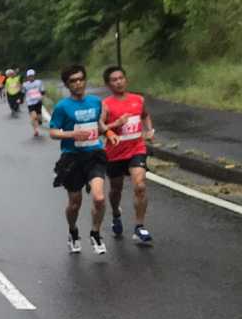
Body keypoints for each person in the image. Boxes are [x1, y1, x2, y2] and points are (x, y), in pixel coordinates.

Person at [49, 64, 108, 255]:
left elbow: (98, 124)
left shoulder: (95, 102)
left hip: (94, 154)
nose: (78, 83)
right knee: (75, 203)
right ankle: (73, 232)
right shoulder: (62, 107)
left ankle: (95, 233)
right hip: (72, 158)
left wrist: (109, 132)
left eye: (81, 79)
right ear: (67, 85)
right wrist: (72, 134)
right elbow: (53, 132)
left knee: (99, 197)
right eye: (73, 81)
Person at [101, 65, 155, 245]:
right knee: (116, 189)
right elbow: (100, 128)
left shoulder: (138, 100)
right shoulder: (105, 105)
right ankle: (116, 213)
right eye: (114, 80)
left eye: (121, 78)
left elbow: (145, 115)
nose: (118, 82)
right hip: (115, 154)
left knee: (140, 185)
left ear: (126, 79)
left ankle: (139, 227)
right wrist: (116, 123)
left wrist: (149, 130)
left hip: (136, 149)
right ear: (108, 84)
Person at [22, 68, 45, 137]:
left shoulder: (39, 82)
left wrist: (43, 96)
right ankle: (35, 131)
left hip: (38, 101)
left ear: (34, 76)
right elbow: (23, 92)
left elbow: (42, 91)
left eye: (32, 76)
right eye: (29, 76)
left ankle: (39, 121)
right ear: (27, 77)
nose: (30, 78)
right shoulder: (25, 84)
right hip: (30, 102)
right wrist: (20, 99)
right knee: (33, 117)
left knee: (39, 117)